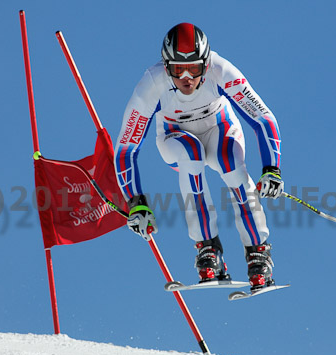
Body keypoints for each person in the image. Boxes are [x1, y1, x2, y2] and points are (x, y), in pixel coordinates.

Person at [114, 22, 283, 291]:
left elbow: (263, 118)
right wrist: (136, 203)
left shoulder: (220, 69)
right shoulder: (153, 84)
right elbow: (126, 149)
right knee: (191, 156)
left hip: (220, 128)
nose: (186, 78)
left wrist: (272, 169)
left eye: (193, 68)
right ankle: (208, 248)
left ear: (205, 64)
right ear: (165, 66)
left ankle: (257, 252)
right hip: (175, 138)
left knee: (230, 163)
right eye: (177, 70)